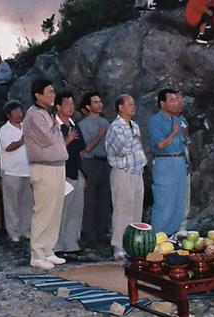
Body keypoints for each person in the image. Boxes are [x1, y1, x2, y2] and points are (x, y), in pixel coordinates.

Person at [22, 78, 68, 270]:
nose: (53, 95)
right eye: (49, 92)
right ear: (38, 95)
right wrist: (56, 126)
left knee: (55, 210)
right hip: (44, 167)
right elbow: (48, 138)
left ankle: (48, 250)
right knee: (43, 210)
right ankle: (37, 253)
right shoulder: (34, 115)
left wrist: (55, 126)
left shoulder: (46, 114)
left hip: (57, 166)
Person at [106, 94, 147, 261]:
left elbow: (136, 147)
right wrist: (133, 139)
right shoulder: (116, 127)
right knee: (122, 210)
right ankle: (118, 246)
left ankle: (133, 244)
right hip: (122, 172)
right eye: (129, 104)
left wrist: (134, 139)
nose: (133, 107)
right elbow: (122, 150)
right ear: (120, 107)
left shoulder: (134, 125)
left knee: (136, 210)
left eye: (133, 104)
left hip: (137, 171)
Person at [147, 89, 189, 236]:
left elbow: (182, 141)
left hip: (179, 161)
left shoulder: (176, 120)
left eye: (176, 99)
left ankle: (172, 236)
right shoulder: (155, 121)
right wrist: (173, 133)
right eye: (171, 100)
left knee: (179, 201)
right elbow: (160, 145)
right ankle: (158, 236)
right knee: (164, 202)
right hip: (165, 162)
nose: (175, 102)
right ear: (162, 103)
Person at [78, 93, 112, 247]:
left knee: (104, 199)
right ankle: (89, 234)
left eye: (100, 101)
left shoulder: (105, 122)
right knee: (89, 199)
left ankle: (102, 232)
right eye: (95, 102)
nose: (99, 104)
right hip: (90, 162)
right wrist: (100, 135)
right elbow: (86, 148)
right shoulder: (83, 125)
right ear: (88, 106)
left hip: (106, 162)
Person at [0, 101, 34, 244]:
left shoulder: (26, 127)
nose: (19, 114)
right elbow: (8, 147)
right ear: (8, 115)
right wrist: (22, 140)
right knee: (12, 204)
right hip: (11, 171)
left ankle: (26, 230)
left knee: (27, 203)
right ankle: (13, 232)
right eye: (15, 112)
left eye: (20, 111)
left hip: (27, 171)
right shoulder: (5, 130)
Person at [55, 90, 86, 256]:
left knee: (76, 209)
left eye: (72, 103)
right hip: (62, 173)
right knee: (62, 210)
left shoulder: (74, 125)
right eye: (67, 103)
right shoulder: (54, 126)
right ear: (58, 106)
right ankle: (57, 245)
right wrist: (68, 139)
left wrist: (83, 173)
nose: (71, 107)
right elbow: (54, 150)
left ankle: (72, 242)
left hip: (76, 171)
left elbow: (80, 150)